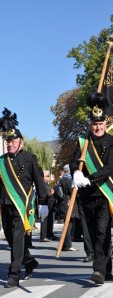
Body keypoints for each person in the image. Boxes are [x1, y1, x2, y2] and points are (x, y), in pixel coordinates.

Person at [70, 93, 113, 285]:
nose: (97, 127)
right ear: (90, 124)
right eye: (94, 124)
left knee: (101, 232)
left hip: (103, 194)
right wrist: (75, 172)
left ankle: (98, 270)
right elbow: (74, 160)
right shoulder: (83, 143)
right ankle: (106, 268)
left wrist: (89, 179)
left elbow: (109, 168)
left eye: (100, 124)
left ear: (105, 124)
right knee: (92, 234)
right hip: (85, 196)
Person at [0, 108, 49, 288]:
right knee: (12, 240)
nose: (10, 143)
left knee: (18, 240)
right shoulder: (1, 161)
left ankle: (13, 275)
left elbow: (40, 181)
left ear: (21, 142)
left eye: (13, 140)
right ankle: (29, 262)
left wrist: (44, 203)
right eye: (7, 140)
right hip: (5, 205)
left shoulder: (29, 158)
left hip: (22, 207)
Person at [40, 170, 55, 242]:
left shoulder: (47, 184)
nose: (49, 177)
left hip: (49, 205)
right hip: (44, 205)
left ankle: (49, 234)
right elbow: (45, 194)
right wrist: (51, 193)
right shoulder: (42, 184)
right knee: (44, 222)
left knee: (49, 221)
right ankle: (43, 236)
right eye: (47, 176)